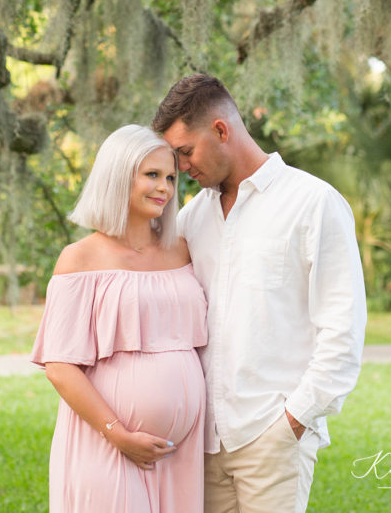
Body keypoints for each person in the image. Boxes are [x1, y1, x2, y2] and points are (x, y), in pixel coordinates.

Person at [152, 75, 367, 513]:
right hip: (203, 444)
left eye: (185, 152)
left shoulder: (313, 203)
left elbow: (342, 328)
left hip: (272, 436)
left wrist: (294, 421)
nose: (181, 168)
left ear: (220, 130)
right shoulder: (193, 218)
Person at [31, 124, 208, 513]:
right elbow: (60, 367)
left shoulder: (181, 251)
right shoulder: (80, 259)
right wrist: (120, 434)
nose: (164, 187)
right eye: (151, 175)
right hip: (106, 446)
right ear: (117, 175)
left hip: (179, 455)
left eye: (171, 178)